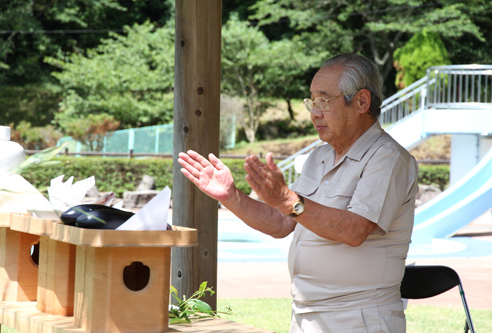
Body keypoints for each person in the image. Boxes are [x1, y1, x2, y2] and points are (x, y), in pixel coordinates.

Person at [178, 53, 419, 332]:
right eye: (312, 102)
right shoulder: (319, 157)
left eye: (324, 101)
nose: (315, 112)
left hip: (359, 317)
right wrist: (230, 196)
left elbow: (355, 230)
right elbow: (283, 222)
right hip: (305, 314)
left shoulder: (387, 157)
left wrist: (287, 199)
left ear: (362, 101)